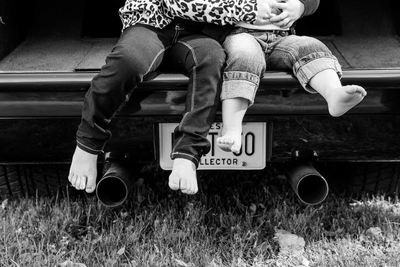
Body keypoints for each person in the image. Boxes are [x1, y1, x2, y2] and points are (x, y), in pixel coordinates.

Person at [68, 0, 273, 195]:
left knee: (212, 58)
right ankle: (88, 143)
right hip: (149, 24)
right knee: (128, 62)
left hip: (196, 32)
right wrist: (252, 10)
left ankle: (187, 154)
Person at [215, 0, 367, 153]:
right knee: (245, 56)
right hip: (240, 34)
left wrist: (300, 7)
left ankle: (333, 94)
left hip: (283, 37)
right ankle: (232, 129)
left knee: (310, 46)